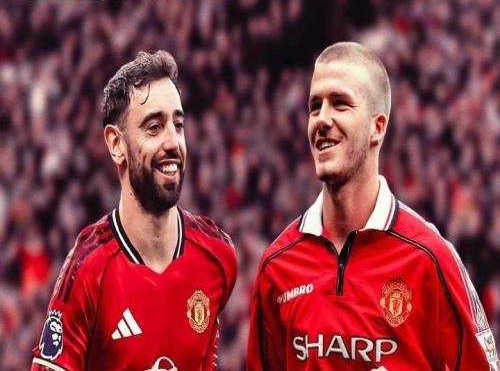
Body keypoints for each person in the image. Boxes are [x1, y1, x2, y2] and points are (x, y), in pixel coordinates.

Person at [247, 42, 499, 370]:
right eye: (315, 106)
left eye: (340, 104)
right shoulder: (277, 266)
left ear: (377, 128)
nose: (321, 119)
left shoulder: (430, 259)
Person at [31, 50, 237, 370]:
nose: (173, 142)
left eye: (178, 125)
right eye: (154, 127)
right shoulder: (88, 270)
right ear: (116, 144)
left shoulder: (218, 256)